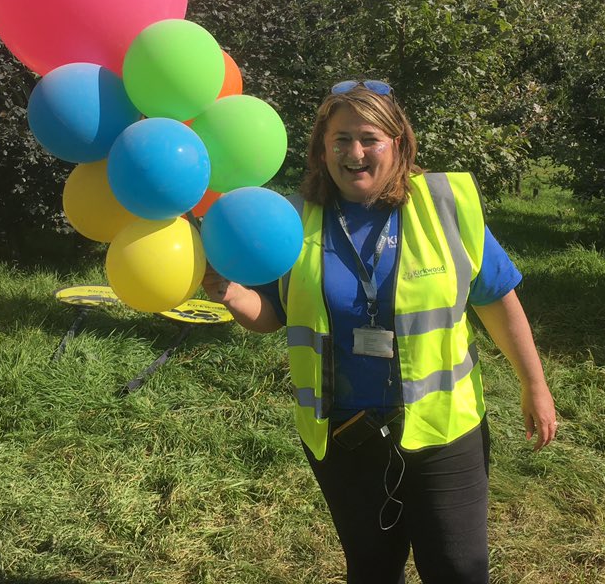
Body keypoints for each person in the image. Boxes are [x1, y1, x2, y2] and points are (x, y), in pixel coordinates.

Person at [202, 80, 557, 584]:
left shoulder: (444, 206)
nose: (355, 153)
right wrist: (230, 293)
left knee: (459, 570)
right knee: (371, 569)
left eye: (369, 138)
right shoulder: (292, 218)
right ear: (322, 148)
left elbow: (498, 299)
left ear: (399, 143)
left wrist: (535, 385)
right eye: (341, 139)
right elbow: (272, 315)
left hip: (444, 432)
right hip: (343, 436)